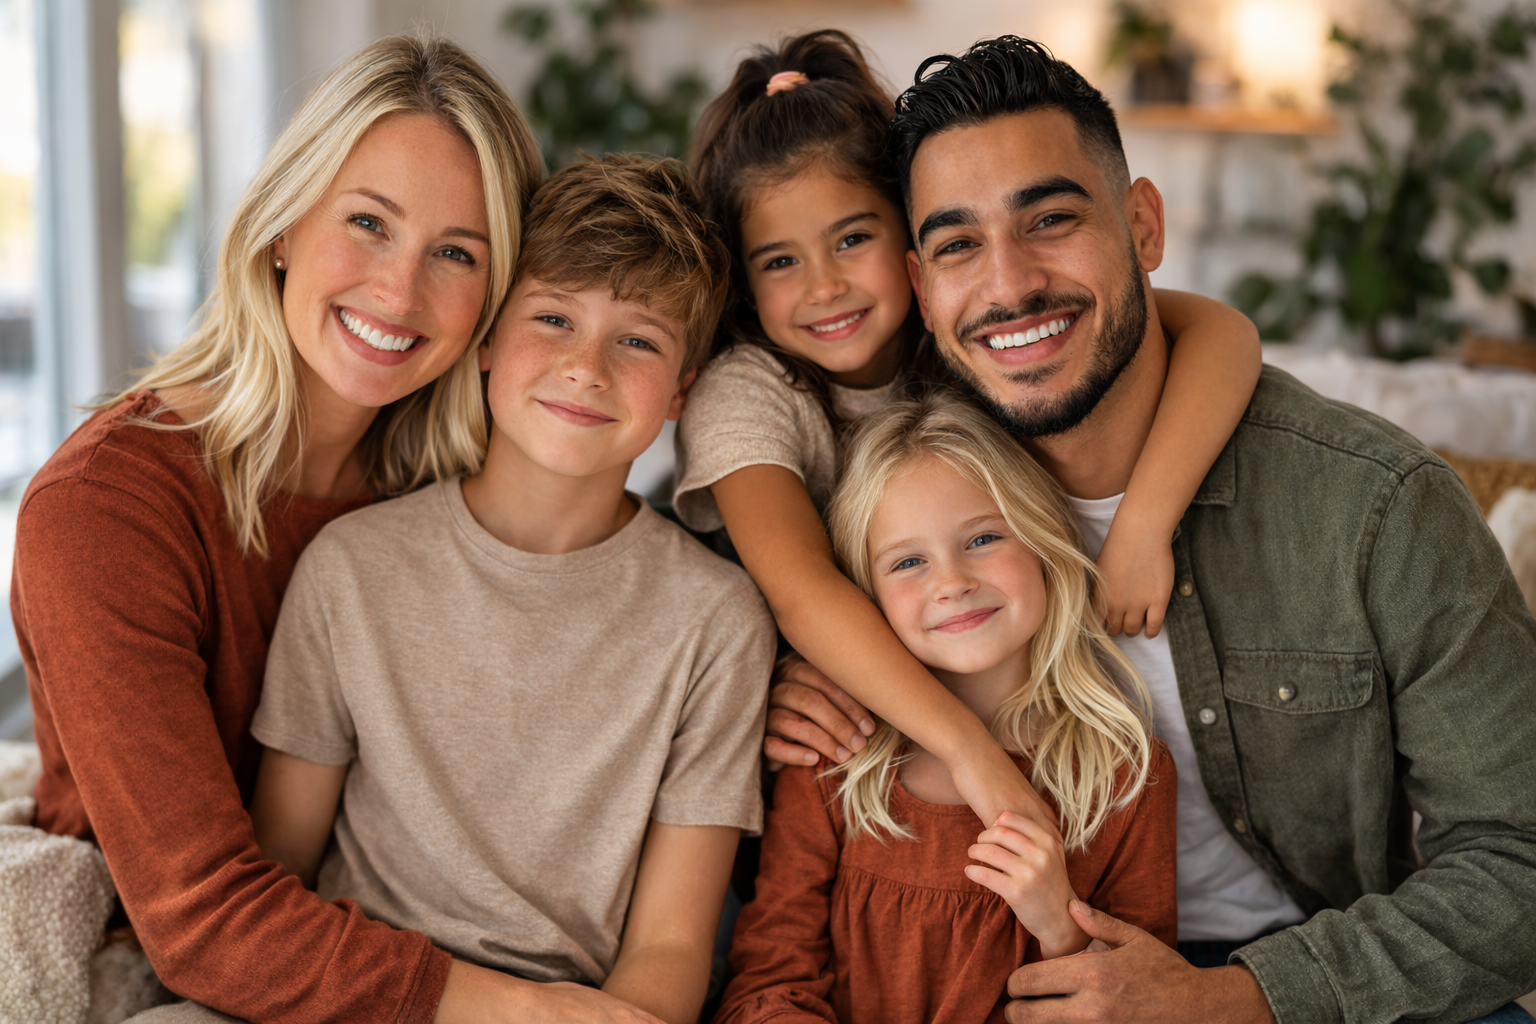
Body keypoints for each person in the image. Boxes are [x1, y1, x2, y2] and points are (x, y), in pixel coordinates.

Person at [807, 33, 1534, 1024]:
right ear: (922, 285)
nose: (1012, 283)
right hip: (1011, 976)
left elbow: (1518, 862)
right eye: (959, 244)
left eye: (1050, 219)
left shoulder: (1374, 505)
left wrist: (1227, 999)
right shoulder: (905, 495)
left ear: (1143, 224)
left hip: (1314, 980)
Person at [10, 36, 558, 1023]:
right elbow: (199, 921)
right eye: (367, 223)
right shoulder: (106, 508)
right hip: (190, 961)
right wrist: (536, 1012)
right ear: (280, 228)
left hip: (413, 921)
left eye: (456, 253)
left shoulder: (451, 485)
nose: (399, 290)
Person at [677, 31, 1262, 858]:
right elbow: (802, 592)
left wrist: (1144, 526)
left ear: (915, 250)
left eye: (852, 239)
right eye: (779, 261)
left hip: (967, 708)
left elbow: (1224, 331)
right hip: (825, 751)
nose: (824, 286)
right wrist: (967, 751)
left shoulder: (968, 343)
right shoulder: (750, 393)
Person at [248, 154, 774, 1024]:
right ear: (488, 337)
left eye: (638, 340)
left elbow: (670, 949)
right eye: (554, 319)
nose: (586, 366)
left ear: (683, 390)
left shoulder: (717, 623)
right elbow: (279, 870)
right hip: (359, 996)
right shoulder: (351, 569)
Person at [715, 391, 1178, 1024]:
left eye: (983, 537)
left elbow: (1142, 1002)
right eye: (908, 561)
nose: (951, 582)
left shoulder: (1126, 778)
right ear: (863, 594)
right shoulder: (834, 761)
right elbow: (770, 984)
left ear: (1044, 543)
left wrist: (1058, 921)